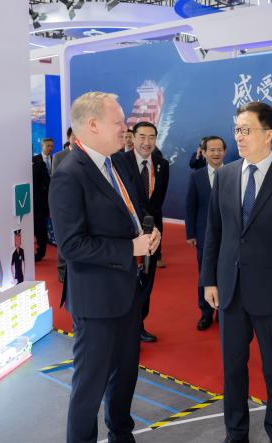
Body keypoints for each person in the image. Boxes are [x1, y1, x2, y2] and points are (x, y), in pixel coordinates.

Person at [49, 91, 160, 443]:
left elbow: (133, 209)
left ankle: (121, 435)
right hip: (96, 301)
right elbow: (72, 245)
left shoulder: (118, 162)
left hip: (126, 293)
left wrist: (147, 227)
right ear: (93, 125)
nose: (124, 129)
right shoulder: (69, 172)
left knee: (125, 375)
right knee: (89, 387)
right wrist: (131, 248)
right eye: (118, 123)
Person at [201, 102, 272, 443]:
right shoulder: (227, 174)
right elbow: (213, 233)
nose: (239, 137)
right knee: (232, 369)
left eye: (246, 130)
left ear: (269, 135)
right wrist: (209, 280)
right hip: (230, 291)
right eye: (237, 130)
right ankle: (236, 433)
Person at [117, 121, 169, 343]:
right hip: (127, 233)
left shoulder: (162, 164)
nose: (147, 142)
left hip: (153, 233)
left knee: (147, 281)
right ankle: (124, 325)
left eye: (152, 137)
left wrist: (152, 228)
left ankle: (139, 324)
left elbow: (157, 202)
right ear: (133, 137)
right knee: (127, 280)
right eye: (142, 137)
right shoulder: (120, 161)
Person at [185, 135, 227, 331]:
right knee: (205, 273)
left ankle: (223, 310)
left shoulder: (233, 173)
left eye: (220, 149)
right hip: (204, 235)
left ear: (225, 152)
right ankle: (205, 312)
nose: (216, 153)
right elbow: (190, 206)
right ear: (204, 152)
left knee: (227, 272)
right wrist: (190, 233)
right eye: (212, 150)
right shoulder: (196, 176)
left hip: (229, 235)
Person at [51, 127, 77, 283]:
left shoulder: (86, 155)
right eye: (74, 136)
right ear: (69, 138)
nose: (77, 138)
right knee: (64, 237)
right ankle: (62, 269)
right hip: (64, 203)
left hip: (82, 203)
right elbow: (56, 181)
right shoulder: (59, 156)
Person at [32, 137, 53, 261]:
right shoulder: (34, 161)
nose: (50, 148)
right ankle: (40, 251)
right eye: (48, 145)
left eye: (52, 146)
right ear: (42, 146)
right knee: (40, 226)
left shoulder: (56, 159)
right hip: (39, 200)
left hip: (52, 197)